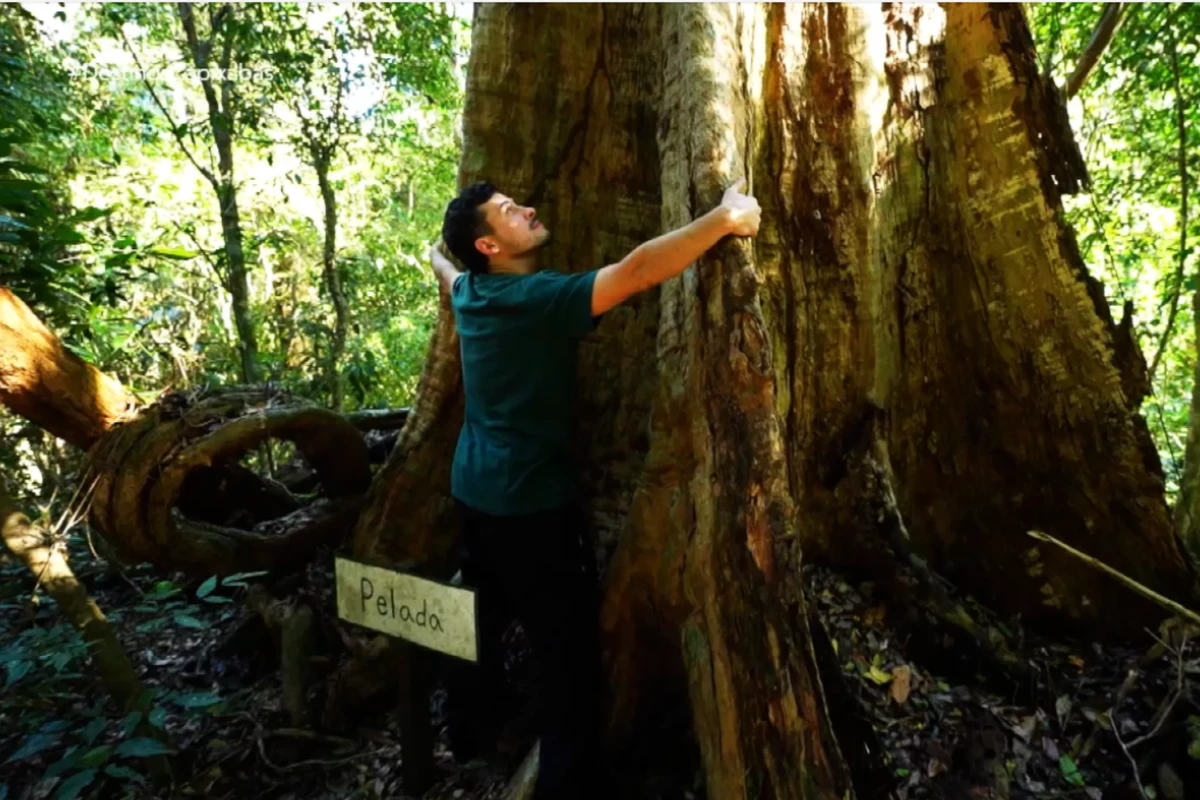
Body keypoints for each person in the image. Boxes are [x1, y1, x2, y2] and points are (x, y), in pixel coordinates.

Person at [431, 178, 761, 799]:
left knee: (483, 607)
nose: (527, 209)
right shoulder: (541, 298)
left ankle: (469, 725)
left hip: (473, 490)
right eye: (509, 213)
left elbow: (447, 273)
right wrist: (723, 220)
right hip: (533, 510)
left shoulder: (472, 292)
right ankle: (566, 783)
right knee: (568, 657)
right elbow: (636, 270)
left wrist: (434, 256)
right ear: (490, 245)